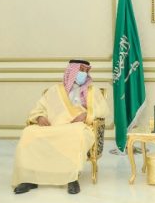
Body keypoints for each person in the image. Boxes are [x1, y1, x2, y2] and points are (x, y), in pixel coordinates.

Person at [12, 60, 108, 195]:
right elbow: (39, 108)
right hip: (53, 125)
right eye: (81, 70)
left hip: (77, 125)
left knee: (77, 134)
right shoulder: (55, 90)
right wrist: (40, 117)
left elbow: (102, 110)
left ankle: (72, 178)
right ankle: (30, 179)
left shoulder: (92, 91)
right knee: (29, 132)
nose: (84, 74)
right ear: (72, 71)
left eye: (86, 71)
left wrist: (86, 114)